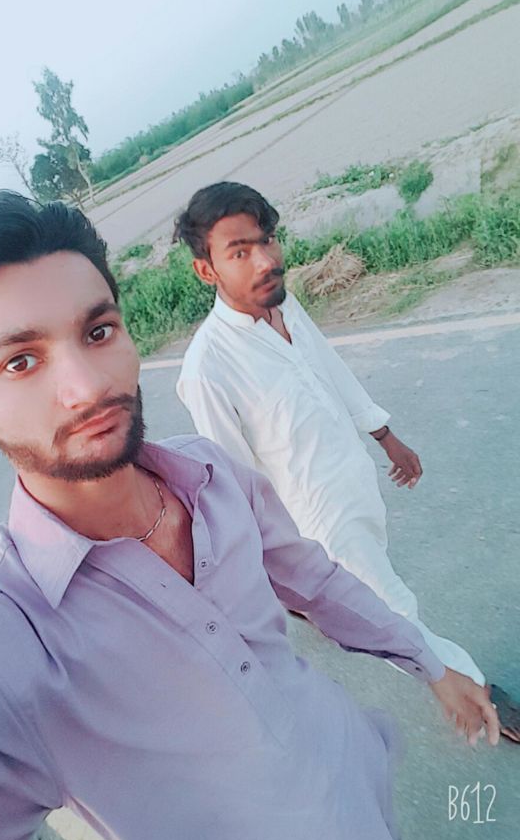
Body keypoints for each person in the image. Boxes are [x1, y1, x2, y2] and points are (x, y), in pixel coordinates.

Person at [0, 192, 499, 840]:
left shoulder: (212, 477)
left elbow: (317, 581)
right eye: (21, 362)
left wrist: (429, 661)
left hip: (363, 796)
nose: (88, 386)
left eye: (98, 332)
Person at [174, 180, 519, 742]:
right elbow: (235, 486)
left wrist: (385, 435)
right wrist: (279, 567)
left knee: (380, 591)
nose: (265, 260)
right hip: (318, 526)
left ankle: (323, 610)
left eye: (268, 240)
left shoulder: (284, 304)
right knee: (393, 610)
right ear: (206, 270)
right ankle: (474, 691)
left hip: (356, 480)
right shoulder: (208, 368)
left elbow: (331, 370)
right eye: (239, 251)